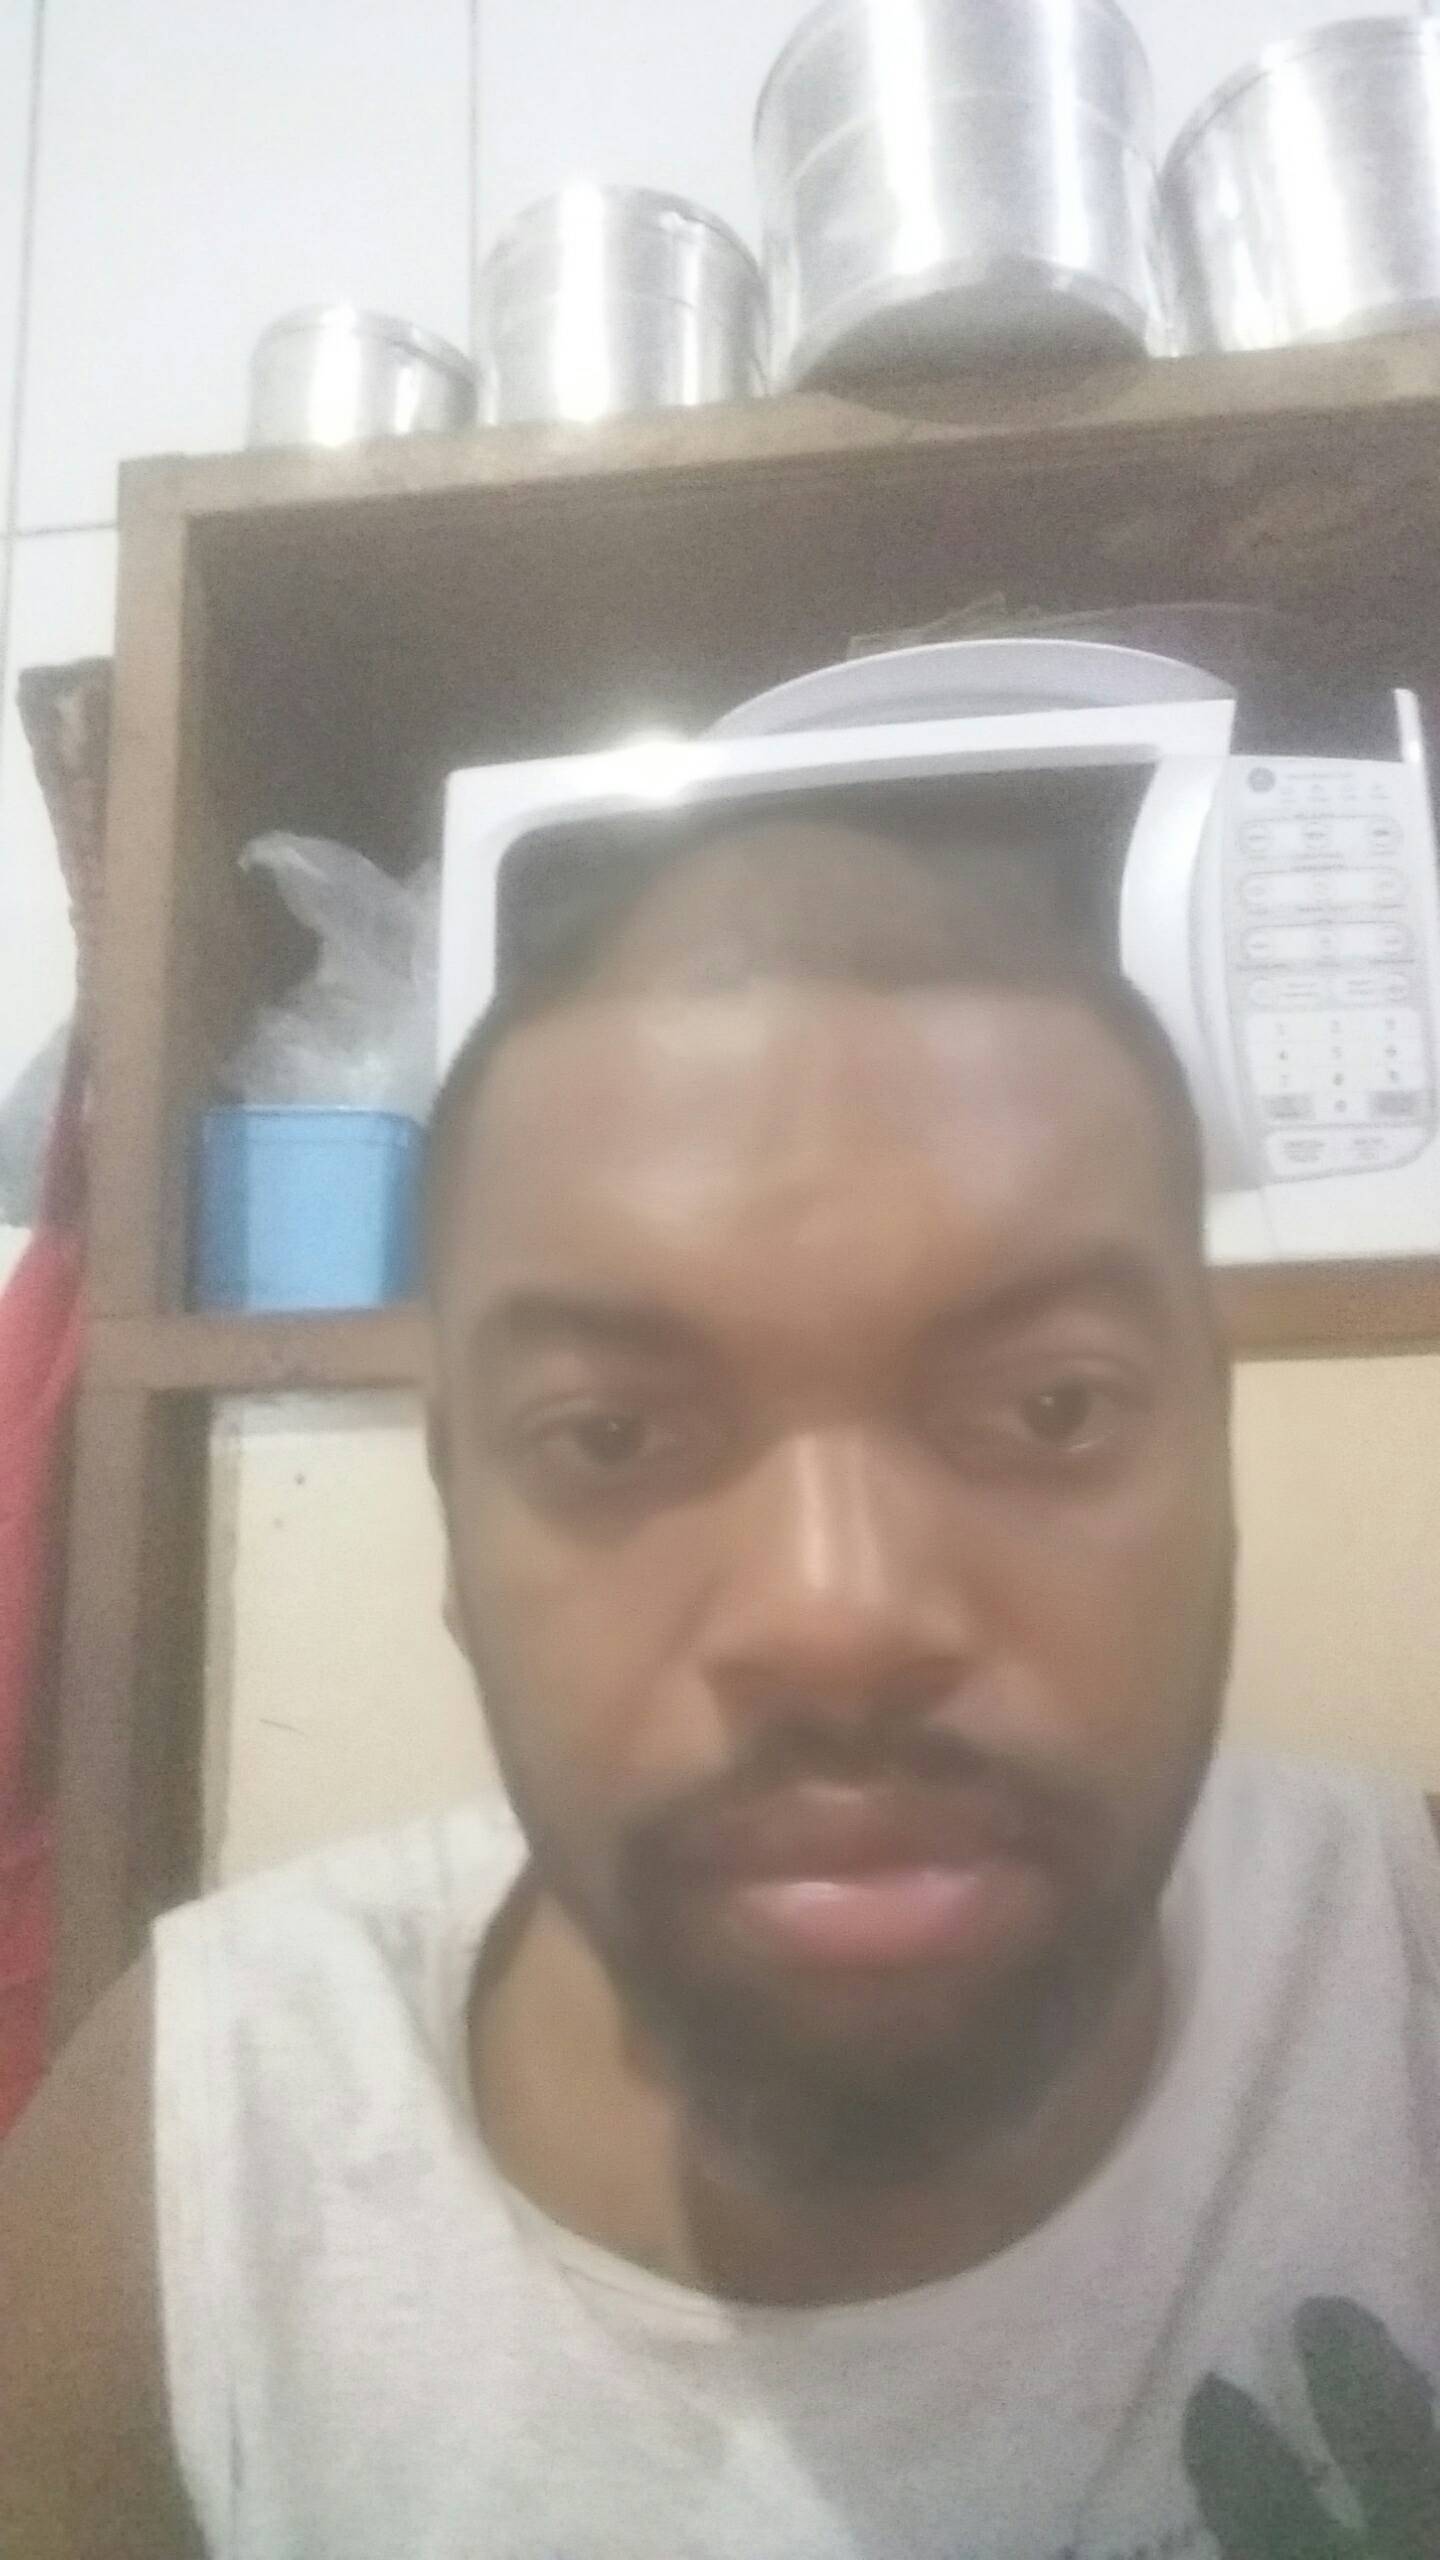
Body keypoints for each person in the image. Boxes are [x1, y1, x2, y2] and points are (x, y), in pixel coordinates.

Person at [4, 788, 1440, 2560]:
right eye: (611, 1435)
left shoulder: (1403, 1973)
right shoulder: (199, 2176)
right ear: (455, 1530)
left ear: (1213, 1469)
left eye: (1052, 1404)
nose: (837, 1616)